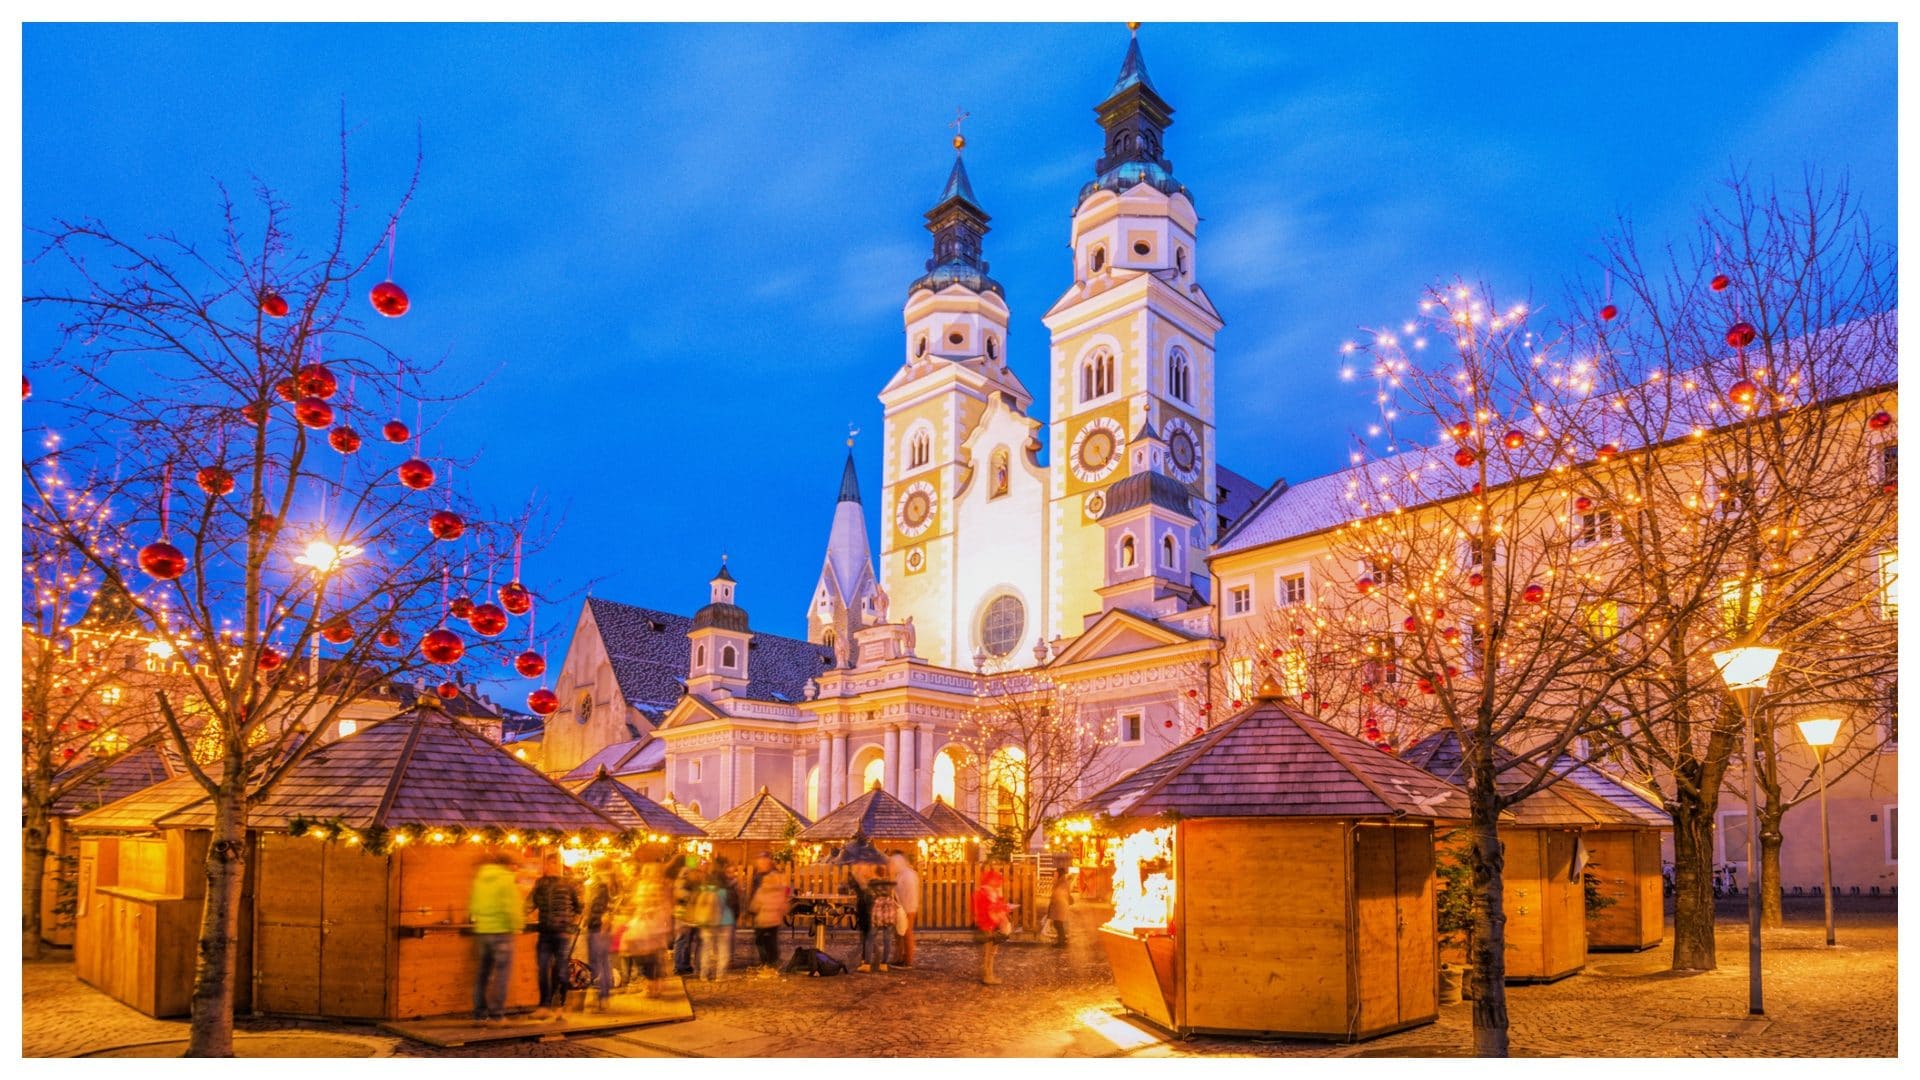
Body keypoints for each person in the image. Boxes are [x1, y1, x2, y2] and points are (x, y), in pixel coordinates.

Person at [526, 852, 582, 1019]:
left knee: (558, 970)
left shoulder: (564, 884)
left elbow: (529, 905)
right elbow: (530, 905)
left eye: (555, 863)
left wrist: (571, 924)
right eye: (551, 863)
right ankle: (549, 1006)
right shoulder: (547, 883)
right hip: (551, 932)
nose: (553, 866)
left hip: (557, 933)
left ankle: (557, 1007)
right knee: (549, 970)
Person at [468, 852, 521, 1026]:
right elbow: (511, 907)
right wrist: (517, 925)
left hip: (483, 931)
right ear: (508, 865)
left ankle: (479, 1014)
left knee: (482, 973)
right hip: (502, 931)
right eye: (515, 865)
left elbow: (473, 906)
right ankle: (497, 1015)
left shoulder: (479, 879)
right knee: (502, 974)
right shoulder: (506, 879)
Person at [620, 862, 673, 994]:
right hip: (659, 924)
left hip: (646, 925)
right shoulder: (664, 885)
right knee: (656, 956)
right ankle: (658, 985)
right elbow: (668, 905)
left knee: (644, 957)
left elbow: (640, 905)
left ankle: (650, 988)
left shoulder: (644, 886)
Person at [583, 864, 622, 1011]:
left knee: (598, 963)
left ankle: (601, 996)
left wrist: (590, 918)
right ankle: (603, 997)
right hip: (605, 927)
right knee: (604, 961)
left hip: (598, 927)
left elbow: (596, 907)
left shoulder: (599, 885)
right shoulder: (611, 885)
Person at [746, 852, 790, 976]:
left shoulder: (775, 876)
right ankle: (769, 962)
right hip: (764, 913)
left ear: (769, 862)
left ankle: (769, 963)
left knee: (765, 940)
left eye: (764, 861)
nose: (762, 864)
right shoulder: (757, 876)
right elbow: (754, 893)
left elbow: (785, 889)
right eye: (760, 861)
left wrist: (782, 901)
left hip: (768, 913)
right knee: (766, 940)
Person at [693, 861, 737, 981]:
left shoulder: (703, 888)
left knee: (706, 948)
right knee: (723, 949)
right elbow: (734, 905)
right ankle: (720, 975)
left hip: (707, 921)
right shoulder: (725, 890)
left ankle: (704, 974)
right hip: (725, 921)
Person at [973, 867, 1011, 986]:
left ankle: (987, 974)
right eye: (997, 880)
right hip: (989, 926)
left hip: (988, 925)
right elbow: (990, 909)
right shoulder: (987, 893)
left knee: (989, 952)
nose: (999, 883)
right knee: (989, 952)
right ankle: (988, 976)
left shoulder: (986, 891)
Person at [860, 872, 899, 973]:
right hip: (889, 910)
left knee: (870, 938)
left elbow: (867, 894)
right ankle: (884, 964)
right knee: (887, 939)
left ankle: (867, 964)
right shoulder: (891, 883)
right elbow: (896, 896)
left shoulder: (873, 883)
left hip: (877, 910)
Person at [888, 850, 919, 967]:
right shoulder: (903, 874)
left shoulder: (907, 875)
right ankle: (901, 958)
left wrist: (906, 910)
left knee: (907, 933)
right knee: (900, 934)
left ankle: (908, 961)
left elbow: (908, 894)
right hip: (904, 908)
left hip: (907, 908)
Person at [669, 856, 699, 976]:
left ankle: (685, 965)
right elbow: (680, 894)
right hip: (683, 913)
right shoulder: (683, 880)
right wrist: (693, 897)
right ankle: (679, 966)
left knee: (686, 940)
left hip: (688, 913)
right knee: (682, 940)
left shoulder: (686, 879)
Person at [1046, 866, 1074, 948]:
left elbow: (1059, 894)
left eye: (1055, 874)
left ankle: (1061, 942)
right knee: (1058, 923)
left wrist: (1053, 901)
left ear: (1059, 874)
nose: (1054, 875)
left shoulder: (1061, 883)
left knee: (1057, 923)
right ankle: (1063, 939)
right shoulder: (1062, 881)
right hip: (1060, 905)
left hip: (1060, 905)